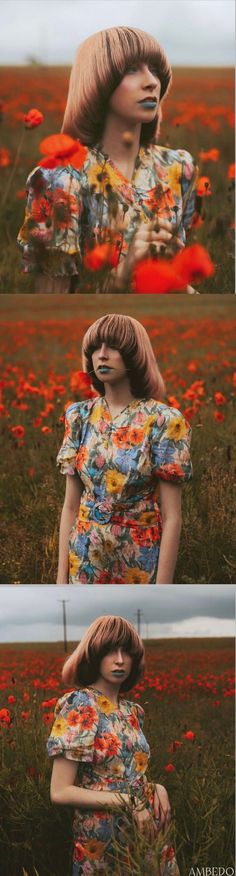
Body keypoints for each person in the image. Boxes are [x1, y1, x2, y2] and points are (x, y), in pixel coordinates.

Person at [17, 27, 198, 293]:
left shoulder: (178, 167)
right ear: (98, 81)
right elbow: (51, 302)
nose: (152, 82)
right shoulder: (61, 178)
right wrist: (122, 276)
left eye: (155, 70)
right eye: (131, 69)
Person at [56, 314, 192, 585]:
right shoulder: (79, 416)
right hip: (83, 559)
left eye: (113, 347)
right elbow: (70, 507)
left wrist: (162, 590)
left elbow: (172, 517)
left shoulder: (164, 421)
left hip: (137, 562)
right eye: (96, 348)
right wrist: (60, 582)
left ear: (134, 355)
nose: (102, 355)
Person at [47, 614, 180, 875]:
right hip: (103, 841)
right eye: (110, 651)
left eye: (127, 652)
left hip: (145, 833)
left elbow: (123, 775)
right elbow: (60, 791)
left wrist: (155, 788)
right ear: (94, 655)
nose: (120, 659)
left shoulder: (133, 712)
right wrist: (129, 802)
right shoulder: (80, 705)